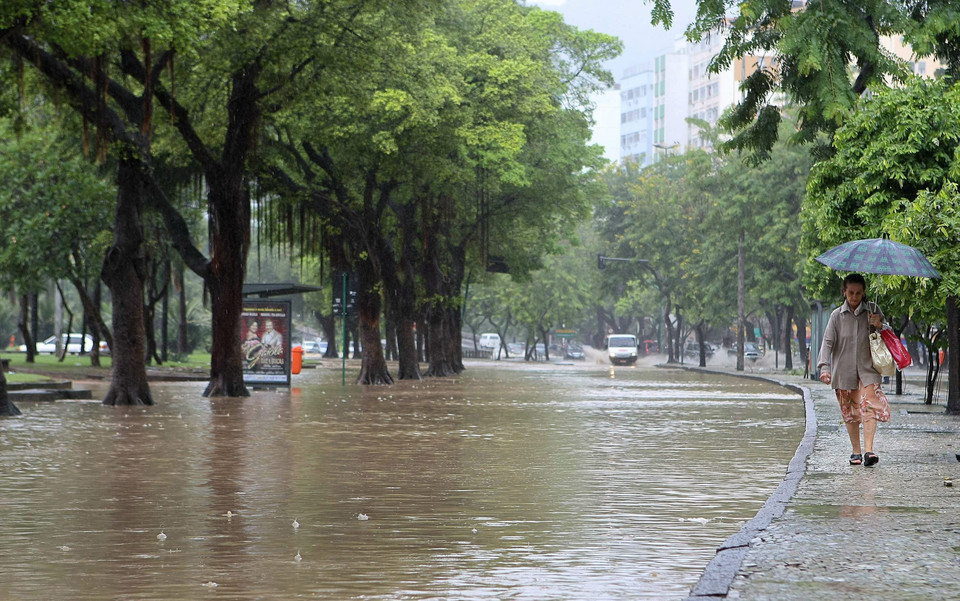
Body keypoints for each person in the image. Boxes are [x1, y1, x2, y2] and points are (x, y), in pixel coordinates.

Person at [817, 273, 891, 466]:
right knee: (850, 412)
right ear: (844, 292)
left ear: (864, 292)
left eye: (858, 293)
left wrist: (879, 324)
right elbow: (827, 343)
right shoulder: (836, 316)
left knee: (869, 405)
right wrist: (825, 368)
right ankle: (856, 452)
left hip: (868, 370)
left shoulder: (873, 310)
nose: (854, 297)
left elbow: (888, 335)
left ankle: (869, 451)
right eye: (851, 293)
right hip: (843, 370)